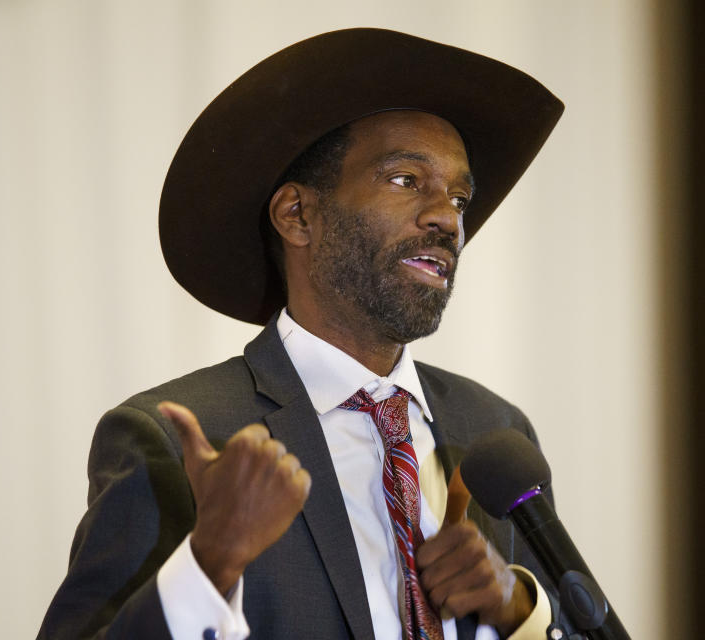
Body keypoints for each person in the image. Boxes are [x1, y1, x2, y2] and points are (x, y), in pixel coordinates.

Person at [39, 28, 564, 640]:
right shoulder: (174, 442)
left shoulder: (497, 435)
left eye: (459, 197)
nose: (447, 218)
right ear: (298, 215)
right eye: (405, 180)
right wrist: (206, 566)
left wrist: (517, 608)